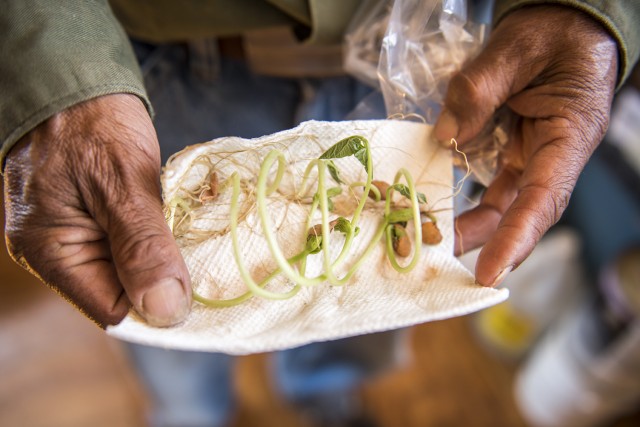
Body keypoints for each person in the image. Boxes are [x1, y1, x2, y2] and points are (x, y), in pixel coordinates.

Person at [1, 1, 639, 426]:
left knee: (373, 310)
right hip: (167, 72)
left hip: (428, 81)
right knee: (164, 313)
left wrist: (594, 14)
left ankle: (325, 393)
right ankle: (187, 413)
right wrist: (59, 74)